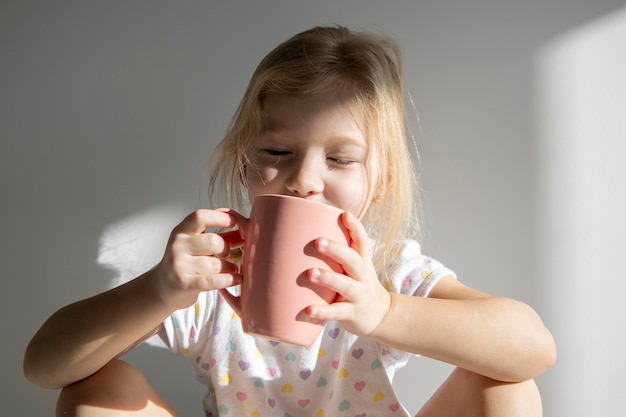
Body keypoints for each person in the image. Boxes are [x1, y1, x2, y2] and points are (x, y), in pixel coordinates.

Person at [24, 25, 556, 417]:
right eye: (278, 150)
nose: (304, 178)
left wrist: (383, 311)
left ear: (382, 181)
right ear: (245, 166)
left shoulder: (385, 272)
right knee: (94, 390)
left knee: (507, 389)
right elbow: (43, 367)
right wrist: (160, 289)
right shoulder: (216, 271)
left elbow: (533, 347)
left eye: (341, 159)